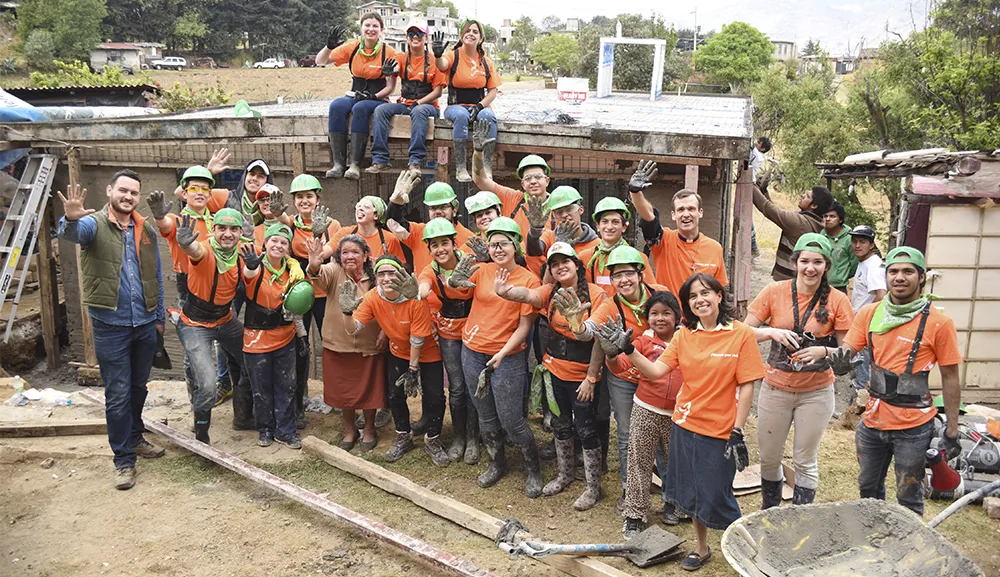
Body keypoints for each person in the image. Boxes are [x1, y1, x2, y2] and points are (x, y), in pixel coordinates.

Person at [596, 273, 764, 570]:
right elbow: (656, 371)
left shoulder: (741, 334)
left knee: (718, 494)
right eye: (693, 296)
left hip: (721, 431)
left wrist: (738, 430)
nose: (700, 300)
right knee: (692, 492)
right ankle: (701, 549)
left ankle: (750, 552)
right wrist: (628, 348)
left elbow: (748, 384)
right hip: (685, 426)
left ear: (719, 297)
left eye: (706, 293)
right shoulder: (685, 335)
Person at [829, 247, 963, 516]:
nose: (899, 277)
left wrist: (951, 428)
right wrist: (834, 360)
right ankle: (873, 542)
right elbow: (848, 351)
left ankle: (907, 552)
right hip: (873, 422)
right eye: (893, 271)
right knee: (867, 488)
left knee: (909, 495)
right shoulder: (870, 313)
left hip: (914, 427)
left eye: (908, 271)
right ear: (885, 276)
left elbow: (950, 377)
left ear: (922, 277)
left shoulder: (939, 323)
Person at [57, 172, 167, 490]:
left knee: (138, 388)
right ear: (109, 191)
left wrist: (158, 317)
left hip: (145, 323)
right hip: (111, 326)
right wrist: (70, 218)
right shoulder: (93, 224)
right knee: (117, 395)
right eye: (122, 190)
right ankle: (123, 460)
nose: (128, 196)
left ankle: (135, 438)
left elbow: (156, 275)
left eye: (134, 192)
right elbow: (74, 233)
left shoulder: (144, 228)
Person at [745, 233, 854, 507]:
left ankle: (801, 519)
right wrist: (772, 332)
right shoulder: (774, 292)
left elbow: (849, 351)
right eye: (804, 261)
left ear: (827, 266)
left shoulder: (838, 300)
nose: (810, 268)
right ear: (795, 263)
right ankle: (770, 512)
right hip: (775, 388)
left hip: (816, 391)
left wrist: (823, 351)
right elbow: (744, 332)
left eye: (817, 262)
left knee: (805, 459)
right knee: (769, 457)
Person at [497, 242, 608, 509]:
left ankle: (594, 487)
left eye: (565, 262)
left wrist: (591, 378)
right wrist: (507, 292)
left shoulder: (597, 294)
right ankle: (564, 475)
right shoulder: (550, 292)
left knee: (586, 427)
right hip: (554, 372)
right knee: (560, 424)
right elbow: (529, 296)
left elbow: (600, 340)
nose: (561, 267)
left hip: (582, 376)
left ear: (577, 266)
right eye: (554, 264)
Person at [449, 217, 543, 496]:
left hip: (508, 356)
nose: (498, 249)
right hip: (472, 351)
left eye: (503, 244)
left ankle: (533, 469)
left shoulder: (528, 280)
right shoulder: (482, 270)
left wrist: (502, 353)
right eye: (493, 244)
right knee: (485, 414)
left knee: (511, 418)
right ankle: (497, 463)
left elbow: (525, 327)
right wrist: (452, 280)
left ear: (515, 246)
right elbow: (458, 287)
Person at [573, 246, 668, 508]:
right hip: (624, 377)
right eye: (617, 276)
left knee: (661, 432)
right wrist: (576, 325)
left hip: (657, 376)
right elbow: (588, 331)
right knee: (627, 433)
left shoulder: (660, 296)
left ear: (640, 274)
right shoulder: (610, 305)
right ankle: (630, 489)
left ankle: (668, 491)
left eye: (628, 273)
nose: (623, 280)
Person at [341, 254, 450, 465]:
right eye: (381, 274)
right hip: (399, 351)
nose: (387, 278)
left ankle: (433, 439)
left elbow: (418, 337)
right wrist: (346, 313)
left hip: (427, 352)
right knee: (395, 395)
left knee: (435, 396)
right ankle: (403, 436)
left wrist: (413, 369)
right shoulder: (373, 297)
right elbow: (353, 329)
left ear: (402, 274)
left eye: (392, 272)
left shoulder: (414, 296)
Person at [169, 208, 256, 444]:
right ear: (213, 230)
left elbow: (249, 275)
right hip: (195, 323)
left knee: (253, 360)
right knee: (207, 384)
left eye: (234, 229)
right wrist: (186, 244)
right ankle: (202, 435)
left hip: (225, 320)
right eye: (222, 229)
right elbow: (194, 251)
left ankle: (243, 417)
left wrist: (253, 266)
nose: (227, 234)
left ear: (240, 233)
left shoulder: (240, 253)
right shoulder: (206, 250)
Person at [611, 291, 685, 534]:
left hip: (679, 413)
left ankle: (673, 504)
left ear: (677, 316)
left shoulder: (687, 340)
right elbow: (620, 366)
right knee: (639, 462)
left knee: (676, 462)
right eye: (654, 313)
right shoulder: (641, 342)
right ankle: (635, 514)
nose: (660, 318)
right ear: (647, 318)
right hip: (645, 409)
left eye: (666, 313)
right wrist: (611, 353)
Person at [307, 235, 386, 452]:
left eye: (355, 252)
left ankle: (369, 428)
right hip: (338, 343)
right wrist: (314, 263)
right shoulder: (334, 271)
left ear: (365, 255)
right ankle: (350, 429)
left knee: (370, 390)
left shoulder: (377, 275)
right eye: (345, 252)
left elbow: (390, 304)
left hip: (370, 344)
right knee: (345, 392)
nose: (349, 256)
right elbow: (317, 274)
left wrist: (386, 332)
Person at [280, 175, 341, 428]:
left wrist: (319, 240)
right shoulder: (290, 224)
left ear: (318, 199)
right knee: (300, 348)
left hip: (324, 293)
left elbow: (333, 253)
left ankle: (337, 395)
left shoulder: (332, 225)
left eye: (309, 196)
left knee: (332, 344)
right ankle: (299, 402)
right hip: (299, 295)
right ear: (294, 201)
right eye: (299, 197)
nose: (304, 200)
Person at [417, 219, 479, 463]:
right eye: (435, 245)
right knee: (456, 387)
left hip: (475, 331)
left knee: (474, 385)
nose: (441, 249)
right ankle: (459, 437)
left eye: (445, 243)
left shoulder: (470, 262)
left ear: (454, 243)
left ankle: (474, 438)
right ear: (429, 249)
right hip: (449, 334)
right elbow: (423, 286)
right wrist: (419, 291)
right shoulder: (430, 271)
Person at [239, 223, 306, 449]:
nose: (278, 245)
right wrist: (249, 267)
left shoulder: (293, 272)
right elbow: (249, 276)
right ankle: (265, 429)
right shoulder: (257, 268)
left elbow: (297, 309)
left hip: (285, 337)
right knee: (261, 388)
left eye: (283, 242)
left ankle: (285, 431)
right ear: (265, 243)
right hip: (257, 340)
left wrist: (302, 336)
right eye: (274, 241)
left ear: (288, 248)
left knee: (287, 386)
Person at [628, 161, 728, 298]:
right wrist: (635, 192)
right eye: (681, 210)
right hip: (670, 316)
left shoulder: (714, 248)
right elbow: (649, 218)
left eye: (691, 209)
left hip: (700, 316)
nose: (686, 214)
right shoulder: (664, 241)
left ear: (700, 212)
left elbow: (719, 290)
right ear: (673, 215)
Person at [317, 14, 399, 179]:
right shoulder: (352, 47)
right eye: (367, 25)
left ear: (381, 30)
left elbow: (390, 87)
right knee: (337, 106)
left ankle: (355, 164)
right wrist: (328, 47)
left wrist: (373, 96)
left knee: (360, 108)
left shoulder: (388, 52)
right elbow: (320, 61)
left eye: (375, 26)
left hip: (377, 96)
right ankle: (338, 164)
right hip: (355, 93)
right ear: (361, 29)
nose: (371, 29)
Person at [367, 21, 447, 174]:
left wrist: (417, 104)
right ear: (407, 38)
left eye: (419, 34)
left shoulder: (434, 61)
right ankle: (380, 159)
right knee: (380, 110)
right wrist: (389, 70)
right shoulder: (402, 57)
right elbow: (395, 66)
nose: (415, 37)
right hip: (405, 103)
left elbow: (437, 92)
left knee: (419, 112)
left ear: (426, 38)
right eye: (411, 34)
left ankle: (415, 160)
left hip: (428, 106)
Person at [432, 21, 500, 182]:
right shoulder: (453, 55)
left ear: (480, 37)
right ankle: (461, 167)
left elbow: (492, 91)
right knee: (461, 116)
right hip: (456, 106)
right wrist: (437, 55)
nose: (471, 33)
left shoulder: (485, 62)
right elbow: (442, 65)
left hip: (478, 105)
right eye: (468, 31)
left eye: (475, 31)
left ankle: (486, 166)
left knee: (488, 116)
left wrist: (480, 106)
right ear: (462, 35)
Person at [472, 121, 550, 241]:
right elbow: (481, 180)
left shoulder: (558, 205)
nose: (533, 181)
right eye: (528, 178)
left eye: (538, 177)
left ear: (547, 180)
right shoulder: (512, 199)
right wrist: (478, 151)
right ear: (523, 184)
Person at [386, 174, 475, 277]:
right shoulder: (418, 233)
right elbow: (393, 223)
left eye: (443, 207)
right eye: (433, 208)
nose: (437, 211)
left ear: (454, 210)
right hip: (423, 292)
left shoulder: (470, 239)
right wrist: (395, 204)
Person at [576, 196, 655, 296]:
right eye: (605, 222)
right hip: (598, 311)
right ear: (598, 226)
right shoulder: (586, 258)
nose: (609, 227)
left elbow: (650, 293)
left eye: (615, 222)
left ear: (624, 227)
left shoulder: (638, 258)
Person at [753, 184, 834, 281]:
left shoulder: (800, 223)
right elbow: (776, 211)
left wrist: (749, 185)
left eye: (807, 196)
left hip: (788, 279)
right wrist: (763, 191)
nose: (802, 196)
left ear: (814, 206)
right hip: (794, 277)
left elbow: (768, 209)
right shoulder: (813, 220)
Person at [848, 224, 886, 395]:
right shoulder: (864, 262)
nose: (857, 245)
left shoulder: (873, 266)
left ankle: (859, 408)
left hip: (867, 325)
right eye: (854, 241)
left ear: (871, 245)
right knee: (859, 367)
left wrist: (867, 318)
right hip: (860, 321)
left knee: (862, 371)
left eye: (862, 242)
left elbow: (882, 296)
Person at [322, 195, 407, 267]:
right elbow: (322, 254)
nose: (360, 209)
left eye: (366, 207)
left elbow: (399, 267)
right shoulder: (345, 233)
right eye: (358, 206)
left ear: (376, 215)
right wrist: (317, 236)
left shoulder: (389, 239)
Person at [821, 201, 858, 294]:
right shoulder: (820, 236)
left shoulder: (849, 239)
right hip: (820, 284)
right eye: (825, 216)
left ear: (840, 220)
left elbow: (854, 263)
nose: (828, 219)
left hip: (839, 288)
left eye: (832, 216)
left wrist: (841, 275)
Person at [748, 136, 771, 258]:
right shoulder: (758, 154)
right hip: (749, 183)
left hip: (749, 184)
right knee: (747, 217)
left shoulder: (756, 155)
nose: (756, 144)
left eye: (759, 143)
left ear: (762, 148)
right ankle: (752, 246)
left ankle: (753, 246)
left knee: (746, 218)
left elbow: (749, 148)